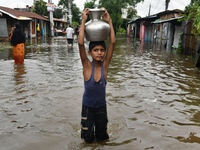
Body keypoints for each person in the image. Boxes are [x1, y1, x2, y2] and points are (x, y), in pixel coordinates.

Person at [78, 8, 115, 143]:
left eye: (101, 50)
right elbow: (81, 43)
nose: (99, 53)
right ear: (90, 53)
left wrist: (109, 22)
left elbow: (112, 42)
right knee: (87, 139)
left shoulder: (105, 66)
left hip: (101, 108)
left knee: (102, 138)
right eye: (95, 50)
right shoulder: (87, 66)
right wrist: (83, 21)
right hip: (87, 108)